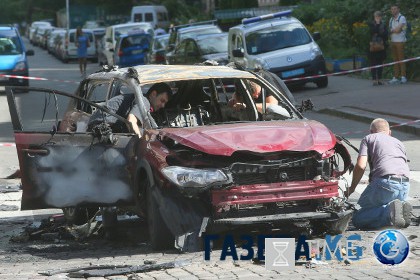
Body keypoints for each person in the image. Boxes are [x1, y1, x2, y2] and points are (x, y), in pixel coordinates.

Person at [347, 118, 411, 229]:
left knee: (359, 217)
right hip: (405, 185)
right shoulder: (399, 142)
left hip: (385, 183)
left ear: (371, 131)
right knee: (393, 209)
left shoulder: (369, 138)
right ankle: (397, 209)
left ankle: (388, 211)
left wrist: (352, 188)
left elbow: (361, 166)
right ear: (389, 132)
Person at [88, 83, 171, 137]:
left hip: (99, 128)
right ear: (153, 94)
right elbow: (131, 120)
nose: (163, 106)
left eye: (165, 103)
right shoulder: (144, 101)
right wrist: (140, 139)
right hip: (101, 129)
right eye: (162, 101)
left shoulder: (143, 103)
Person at [388, 4, 407, 84]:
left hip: (400, 41)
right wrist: (394, 30)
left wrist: (393, 30)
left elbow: (398, 30)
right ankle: (395, 77)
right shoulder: (391, 19)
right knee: (395, 60)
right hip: (393, 41)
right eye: (392, 9)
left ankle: (403, 77)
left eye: (395, 9)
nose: (393, 10)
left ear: (398, 9)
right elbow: (389, 30)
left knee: (401, 59)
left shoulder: (402, 18)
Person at [368, 11, 388, 86]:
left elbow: (385, 35)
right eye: (376, 16)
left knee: (380, 63)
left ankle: (379, 79)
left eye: (378, 16)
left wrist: (378, 32)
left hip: (381, 46)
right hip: (373, 46)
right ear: (374, 17)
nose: (377, 18)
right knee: (373, 63)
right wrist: (377, 25)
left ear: (381, 17)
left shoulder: (383, 24)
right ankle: (374, 80)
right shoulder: (371, 24)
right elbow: (372, 32)